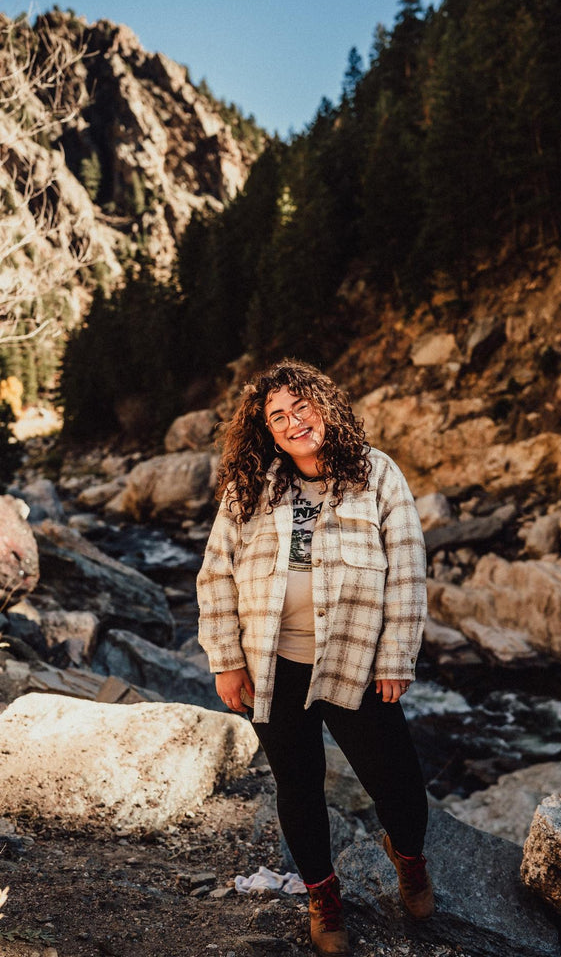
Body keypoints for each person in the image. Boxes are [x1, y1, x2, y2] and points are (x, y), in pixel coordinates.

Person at [197, 358, 433, 956]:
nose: (293, 421)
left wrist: (395, 657)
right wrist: (227, 660)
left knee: (400, 786)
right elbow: (215, 575)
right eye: (278, 416)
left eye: (302, 406)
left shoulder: (377, 474)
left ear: (324, 407)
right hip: (272, 664)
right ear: (268, 431)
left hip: (353, 661)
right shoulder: (249, 488)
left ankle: (407, 855)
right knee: (298, 786)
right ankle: (322, 895)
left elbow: (407, 570)